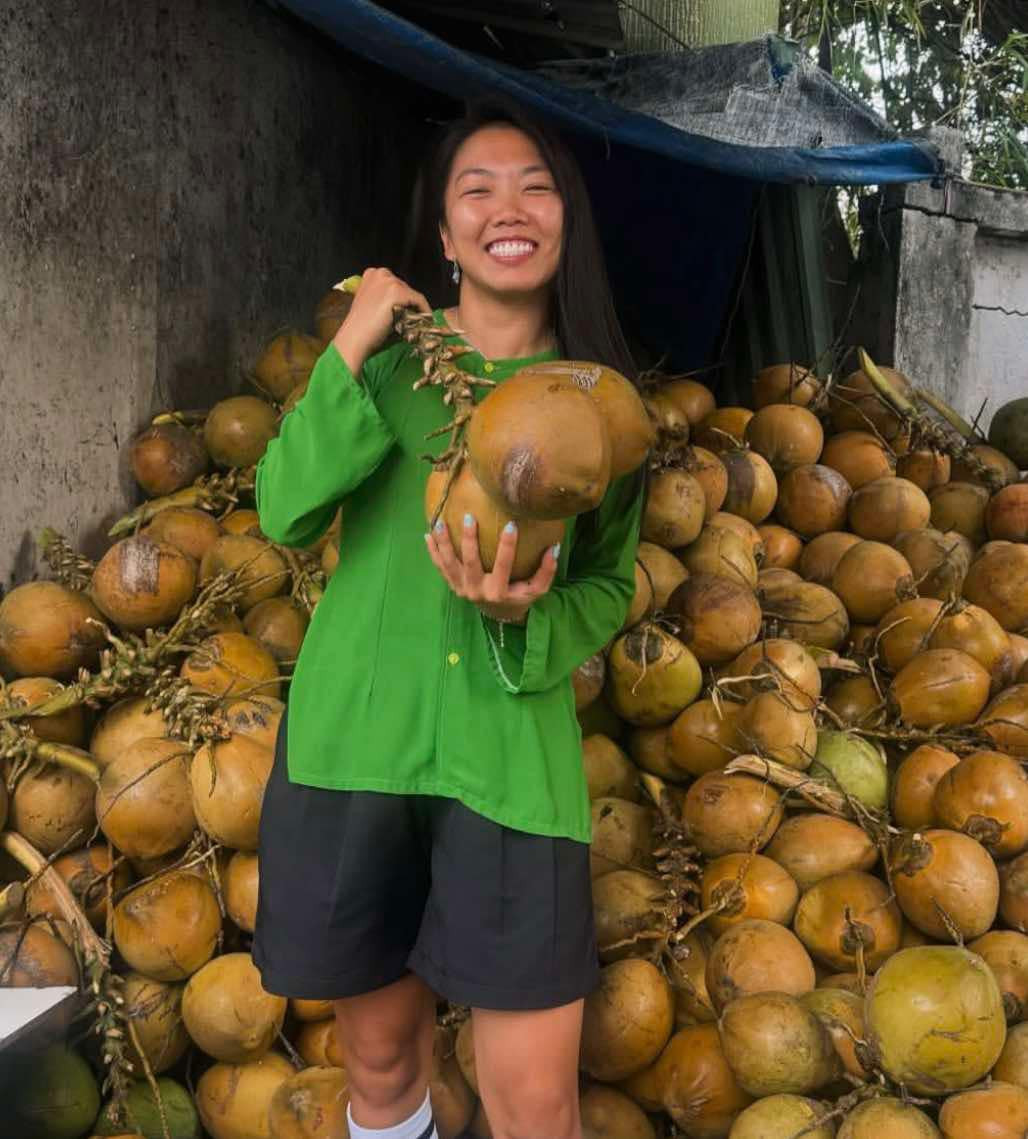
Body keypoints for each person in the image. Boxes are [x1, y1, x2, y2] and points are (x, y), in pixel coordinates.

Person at [253, 100, 646, 1139]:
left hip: (508, 764)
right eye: (475, 188)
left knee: (531, 1100)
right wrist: (350, 341)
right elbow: (285, 511)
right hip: (353, 751)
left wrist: (529, 618)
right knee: (380, 1069)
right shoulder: (380, 374)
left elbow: (608, 583)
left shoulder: (602, 410)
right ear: (442, 235)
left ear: (565, 220)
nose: (505, 207)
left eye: (533, 184)